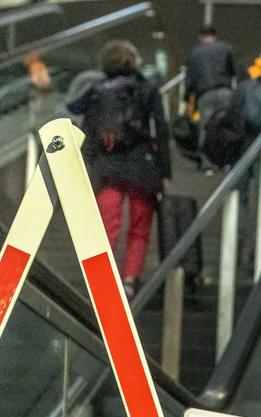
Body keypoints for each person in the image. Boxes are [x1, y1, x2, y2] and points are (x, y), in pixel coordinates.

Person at [69, 41, 171, 296]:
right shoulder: (148, 89)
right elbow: (161, 131)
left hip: (106, 167)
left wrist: (84, 168)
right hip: (142, 167)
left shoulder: (96, 91)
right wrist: (165, 171)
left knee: (106, 226)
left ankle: (101, 280)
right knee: (139, 227)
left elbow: (89, 131)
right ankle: (129, 279)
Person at [185, 24, 238, 122]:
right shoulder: (226, 48)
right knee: (225, 127)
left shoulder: (195, 53)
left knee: (206, 127)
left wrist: (187, 99)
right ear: (214, 35)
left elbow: (189, 79)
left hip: (205, 94)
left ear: (201, 37)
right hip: (225, 92)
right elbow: (235, 71)